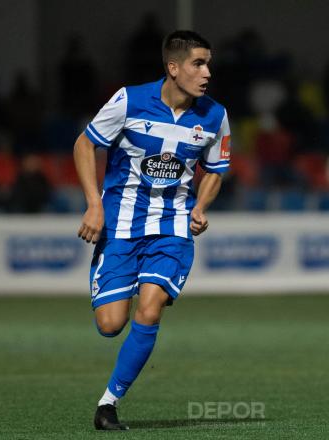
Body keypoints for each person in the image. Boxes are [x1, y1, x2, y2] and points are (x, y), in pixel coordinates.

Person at [73, 30, 230, 430]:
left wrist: (201, 206)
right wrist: (94, 205)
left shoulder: (214, 115)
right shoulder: (130, 100)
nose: (207, 72)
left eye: (208, 63)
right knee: (110, 325)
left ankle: (107, 405)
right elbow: (84, 144)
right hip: (121, 226)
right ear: (173, 68)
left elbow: (215, 169)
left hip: (172, 228)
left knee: (150, 306)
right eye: (198, 63)